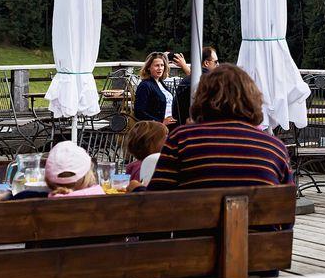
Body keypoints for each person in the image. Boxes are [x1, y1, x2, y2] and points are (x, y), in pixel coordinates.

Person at [147, 64, 292, 190]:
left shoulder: (181, 140)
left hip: (199, 221)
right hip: (256, 222)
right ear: (252, 98)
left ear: (202, 97)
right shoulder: (275, 148)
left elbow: (158, 199)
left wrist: (136, 188)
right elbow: (286, 215)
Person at [134, 52, 177, 126]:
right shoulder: (145, 85)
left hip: (168, 126)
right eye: (156, 66)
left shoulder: (160, 83)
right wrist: (160, 122)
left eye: (162, 65)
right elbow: (139, 112)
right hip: (155, 129)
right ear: (148, 67)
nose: (160, 68)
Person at [124, 120, 168, 184]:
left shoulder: (133, 166)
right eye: (164, 137)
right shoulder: (147, 167)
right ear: (151, 144)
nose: (168, 140)